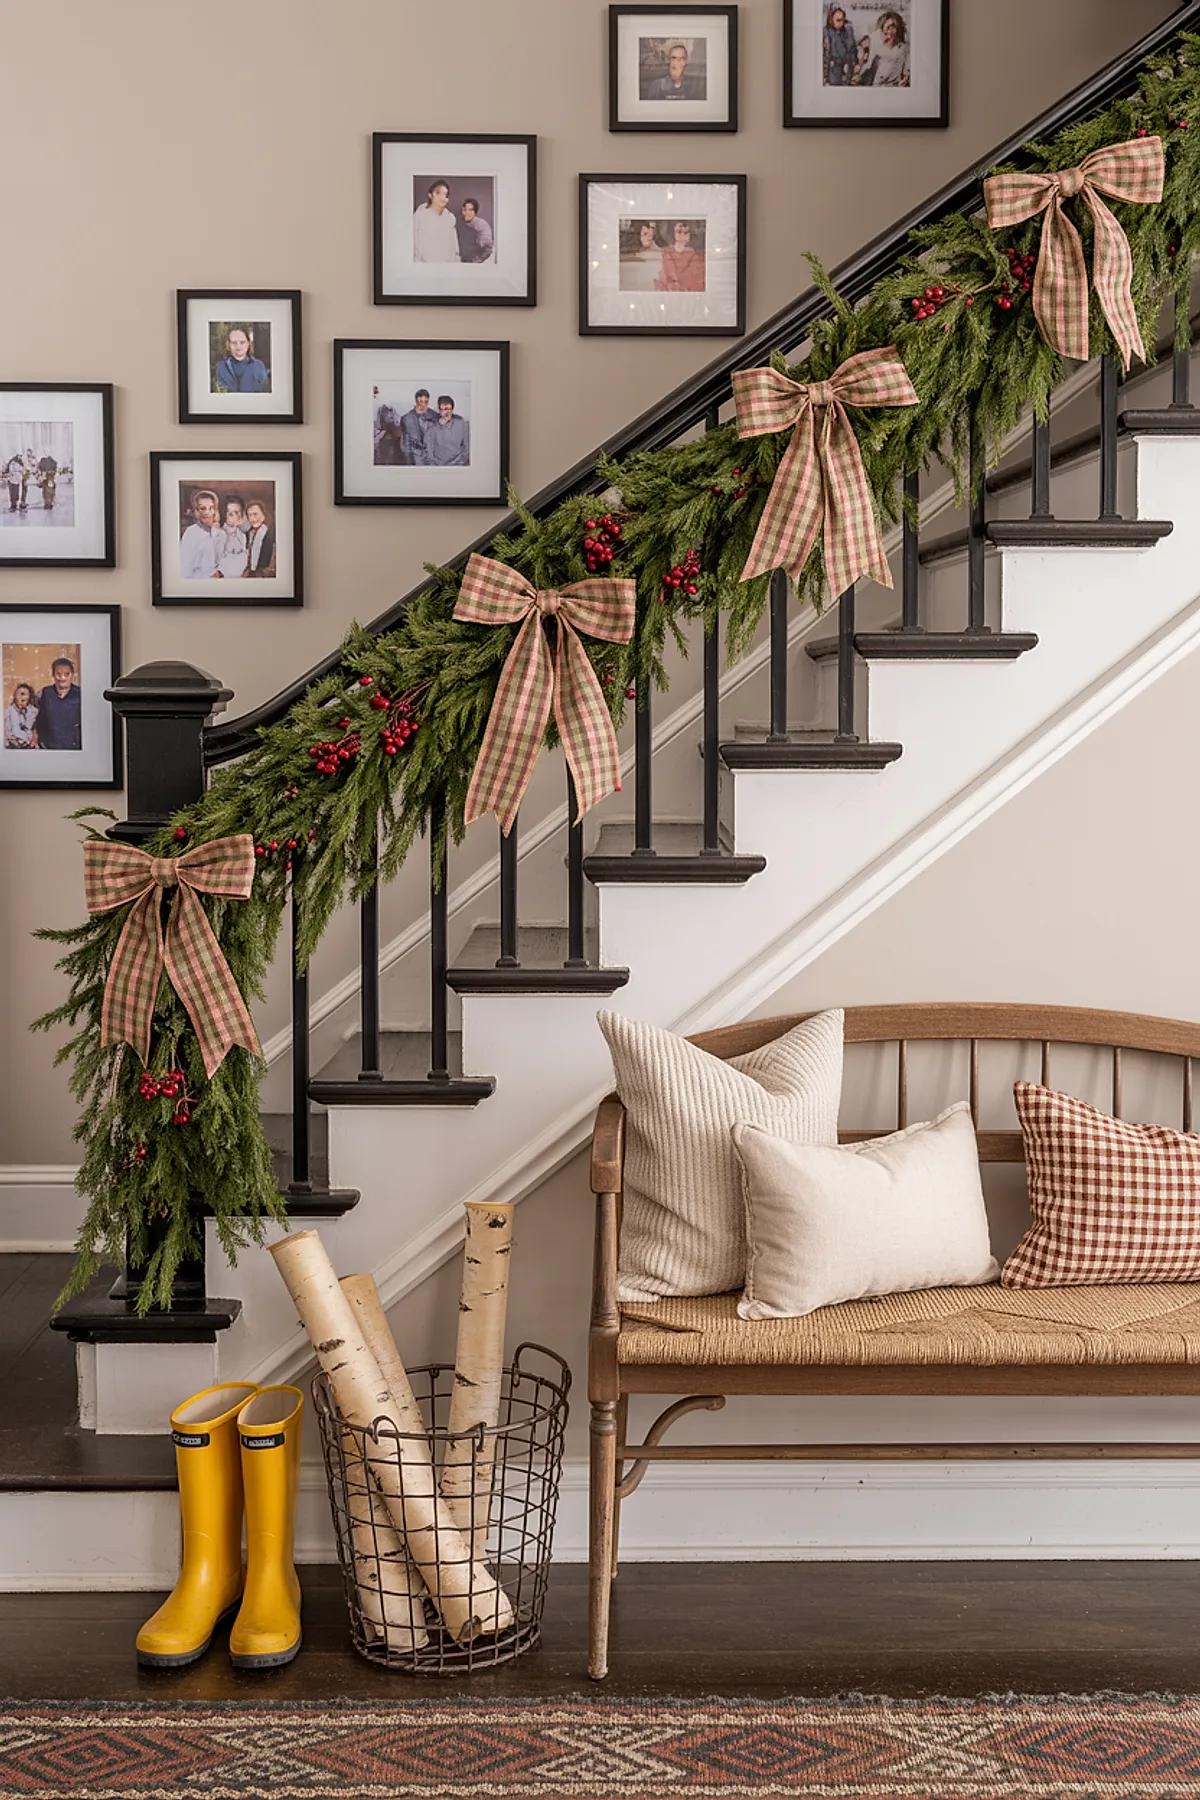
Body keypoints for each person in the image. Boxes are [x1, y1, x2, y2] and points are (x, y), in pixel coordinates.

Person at [35, 657, 82, 750]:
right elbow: (39, 720)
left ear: (73, 675)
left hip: (74, 748)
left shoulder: (80, 694)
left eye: (67, 674)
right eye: (58, 674)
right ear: (53, 675)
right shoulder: (45, 693)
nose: (62, 678)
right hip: (49, 747)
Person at [179, 489, 223, 580]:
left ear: (215, 510)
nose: (207, 512)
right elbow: (185, 569)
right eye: (203, 508)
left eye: (211, 508)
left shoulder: (220, 533)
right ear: (196, 511)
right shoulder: (191, 533)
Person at [213, 326, 271, 394]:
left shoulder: (259, 366)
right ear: (228, 345)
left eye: (242, 342)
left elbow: (266, 393)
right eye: (234, 343)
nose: (238, 347)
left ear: (248, 344)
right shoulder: (221, 367)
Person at [412, 181, 460, 263]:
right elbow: (412, 245)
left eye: (446, 195)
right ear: (430, 195)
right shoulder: (419, 216)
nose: (442, 197)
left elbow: (455, 247)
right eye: (438, 193)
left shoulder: (450, 218)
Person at [656, 220, 706, 293]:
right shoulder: (665, 253)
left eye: (686, 232)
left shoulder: (695, 256)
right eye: (679, 232)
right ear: (673, 233)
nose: (682, 235)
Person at [866, 10, 910, 86]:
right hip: (877, 85)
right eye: (887, 27)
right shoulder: (876, 45)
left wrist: (906, 78)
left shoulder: (903, 48)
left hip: (895, 85)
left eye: (893, 27)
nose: (890, 31)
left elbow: (906, 69)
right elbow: (868, 67)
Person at [426, 395, 470, 466]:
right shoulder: (431, 426)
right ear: (439, 410)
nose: (447, 412)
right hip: (438, 465)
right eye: (444, 409)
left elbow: (466, 449)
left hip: (457, 465)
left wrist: (458, 464)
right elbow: (429, 450)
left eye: (449, 409)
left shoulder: (462, 424)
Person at [620, 220, 663, 292]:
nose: (650, 236)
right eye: (645, 234)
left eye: (652, 231)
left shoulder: (656, 253)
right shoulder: (630, 255)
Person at [823, 5, 859, 85]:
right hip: (834, 69)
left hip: (848, 67)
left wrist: (854, 63)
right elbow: (825, 55)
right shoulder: (827, 32)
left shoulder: (848, 30)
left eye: (842, 20)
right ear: (831, 19)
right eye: (838, 20)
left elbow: (853, 49)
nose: (841, 23)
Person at [215, 495, 249, 579]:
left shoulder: (242, 535)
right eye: (231, 514)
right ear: (225, 515)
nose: (235, 516)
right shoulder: (218, 533)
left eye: (237, 512)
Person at [401, 389, 436, 465]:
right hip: (416, 457)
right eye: (420, 401)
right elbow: (406, 441)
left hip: (432, 456)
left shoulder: (435, 416)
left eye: (425, 402)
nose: (423, 404)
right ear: (416, 401)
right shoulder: (407, 418)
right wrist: (408, 458)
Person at [456, 197, 494, 264]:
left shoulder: (482, 225)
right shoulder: (460, 225)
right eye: (464, 210)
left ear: (475, 211)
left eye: (470, 210)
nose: (467, 213)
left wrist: (476, 262)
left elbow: (488, 248)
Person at [245, 500, 275, 576]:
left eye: (255, 514)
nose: (253, 518)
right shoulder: (249, 534)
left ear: (263, 515)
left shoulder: (269, 534)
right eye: (250, 515)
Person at [4, 680, 37, 748]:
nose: (21, 697)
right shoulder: (9, 712)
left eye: (24, 694)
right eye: (19, 694)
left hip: (28, 746)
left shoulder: (33, 712)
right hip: (12, 745)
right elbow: (8, 731)